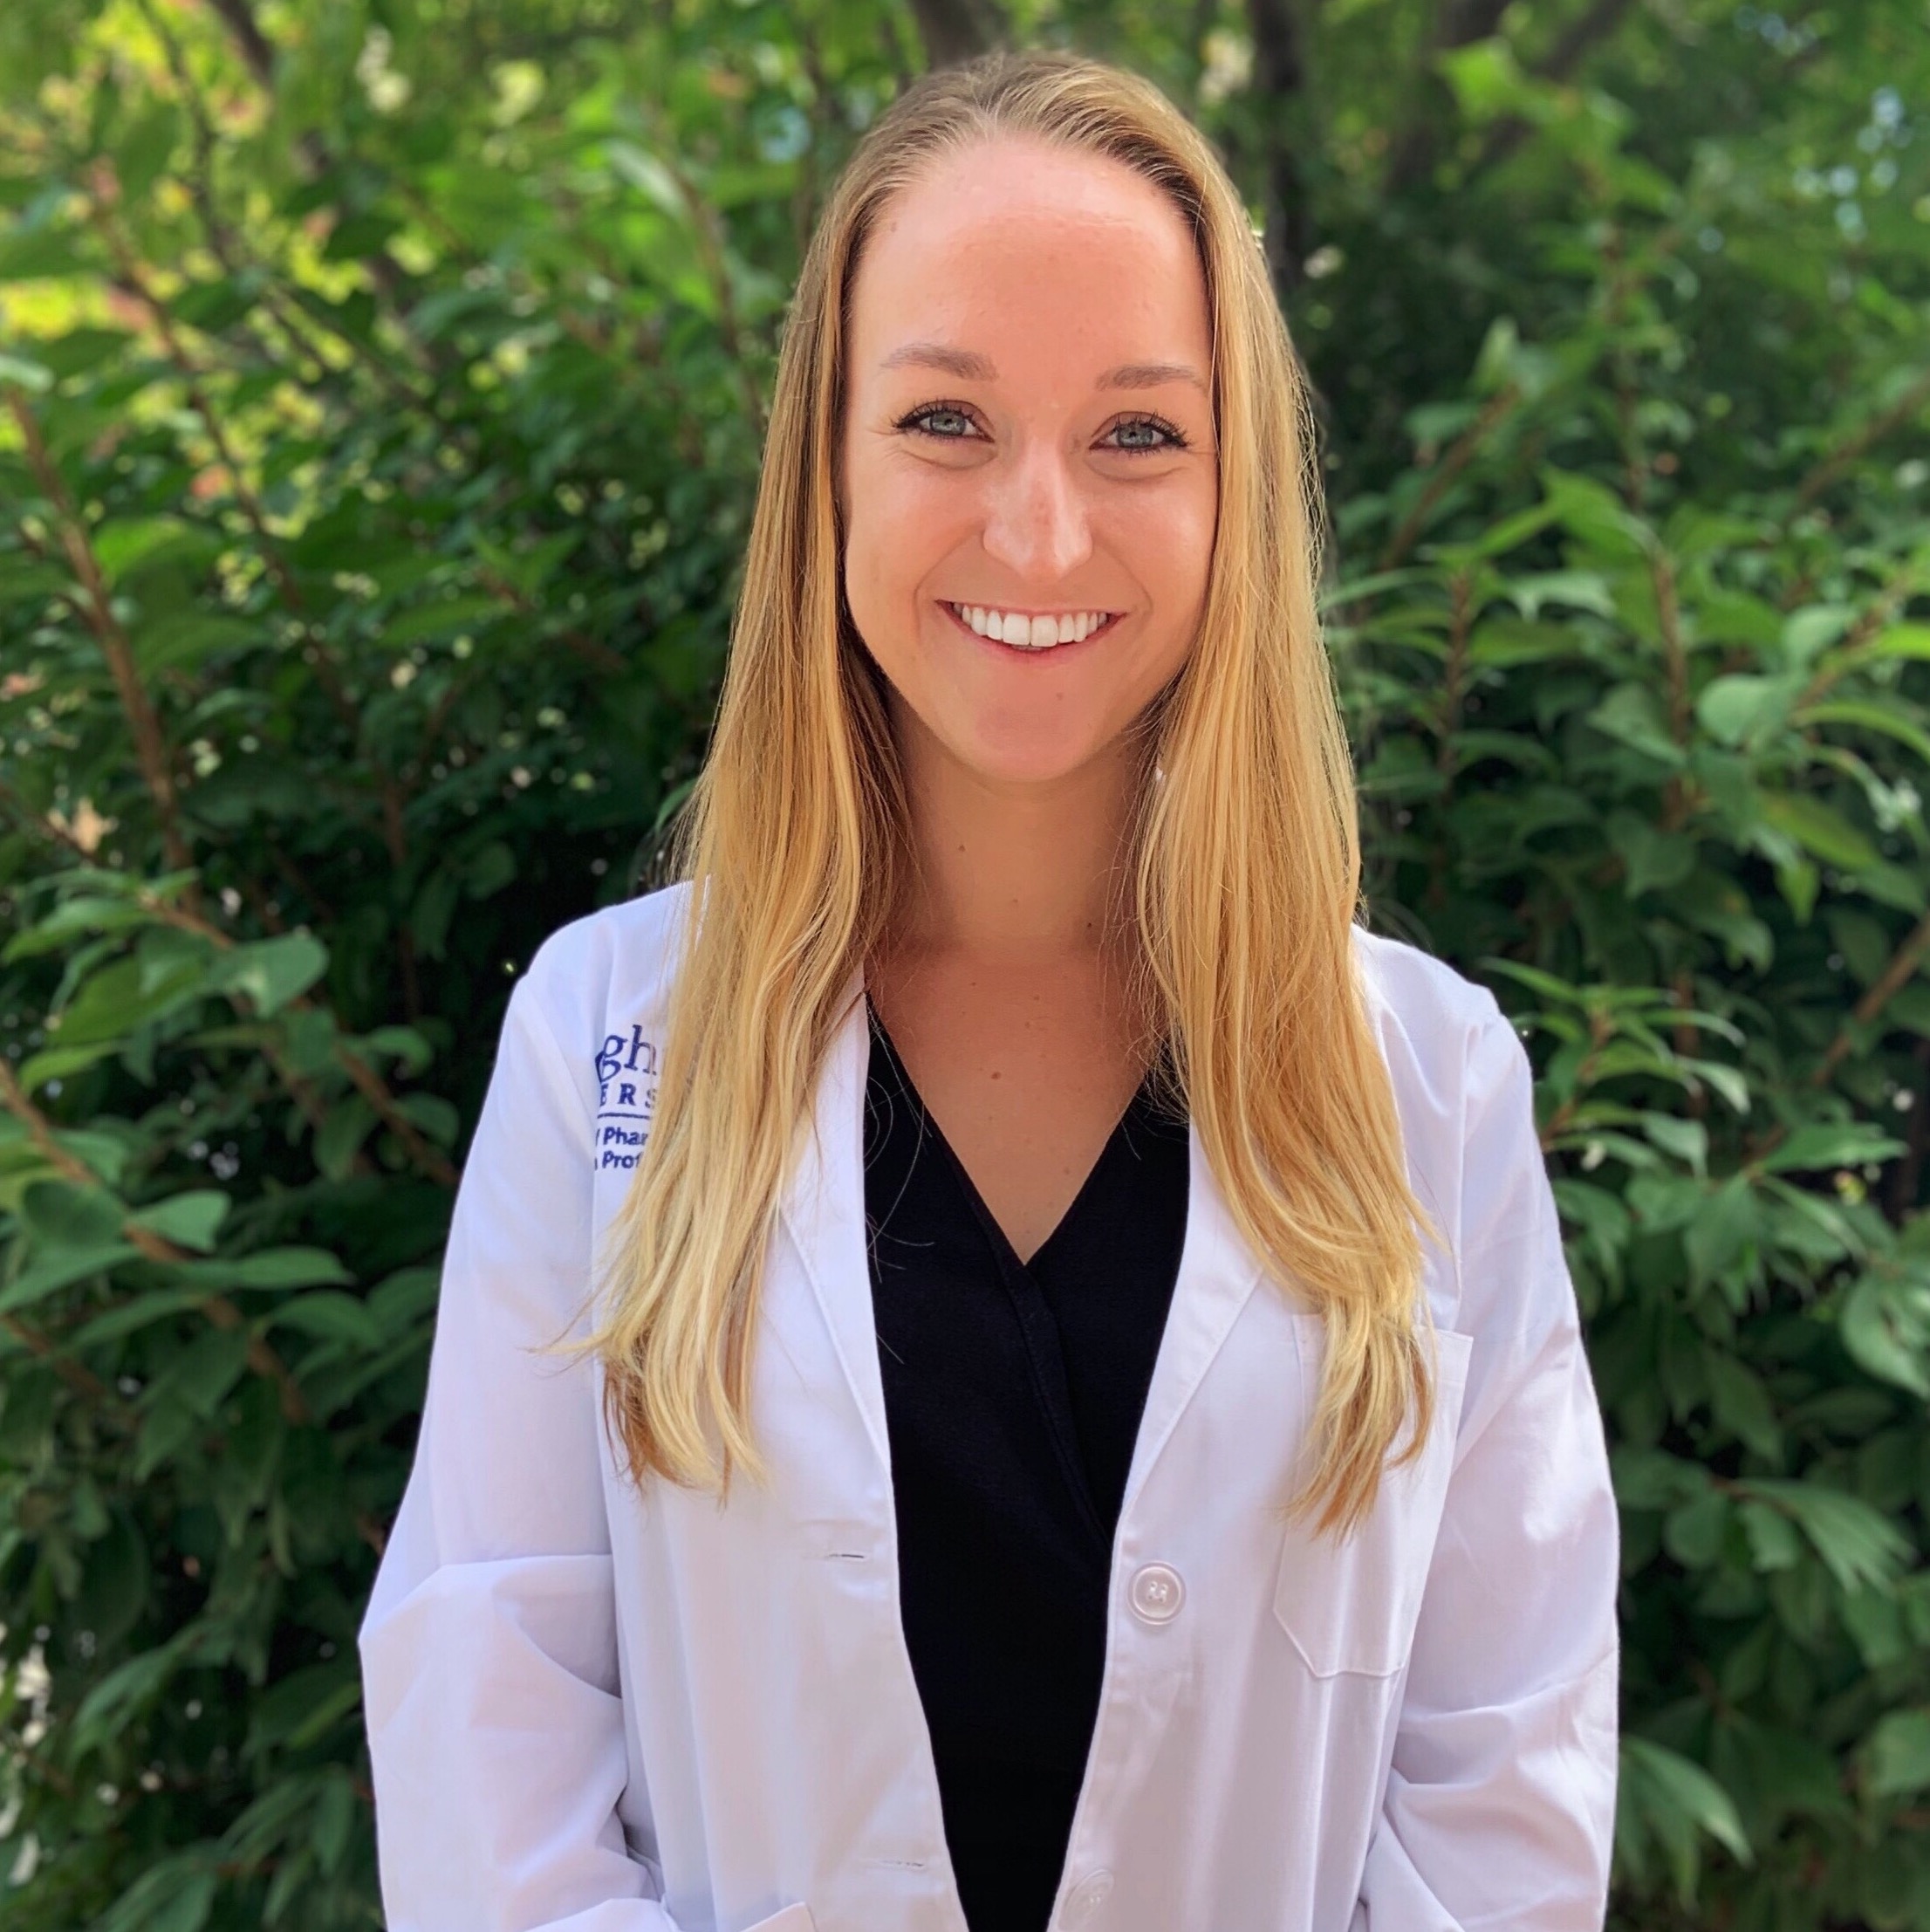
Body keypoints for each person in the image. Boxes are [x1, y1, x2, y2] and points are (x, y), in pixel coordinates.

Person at [357, 46, 1620, 1932]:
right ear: (830, 469)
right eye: (945, 421)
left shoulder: (1426, 1083)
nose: (1038, 532)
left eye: (1135, 436)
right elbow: (494, 1774)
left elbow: (1500, 1810)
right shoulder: (602, 1039)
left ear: (1234, 495)